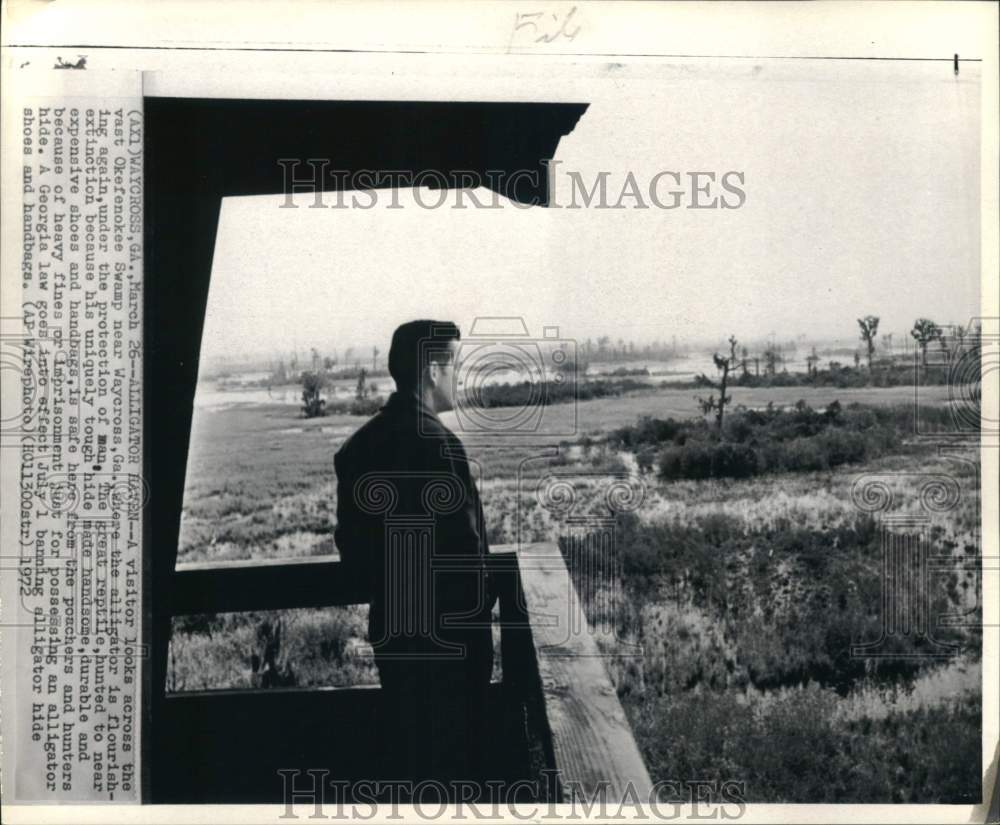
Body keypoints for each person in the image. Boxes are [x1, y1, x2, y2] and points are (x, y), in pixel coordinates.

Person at [333, 320, 495, 795]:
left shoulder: (358, 449)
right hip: (454, 656)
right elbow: (468, 562)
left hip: (397, 647)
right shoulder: (442, 447)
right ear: (430, 369)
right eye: (454, 365)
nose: (458, 377)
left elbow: (354, 556)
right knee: (459, 779)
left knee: (412, 773)